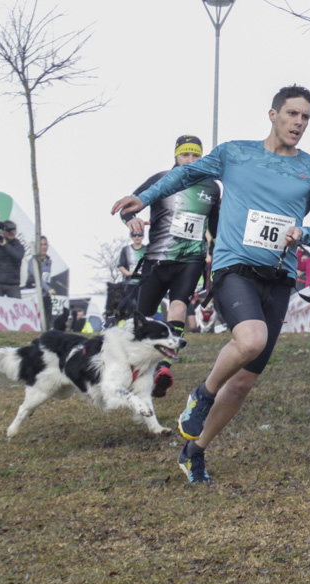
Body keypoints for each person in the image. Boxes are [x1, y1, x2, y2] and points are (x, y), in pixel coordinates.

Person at [110, 85, 310, 484]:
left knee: (245, 380)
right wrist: (143, 198)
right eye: (292, 114)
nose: (299, 123)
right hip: (234, 268)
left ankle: (194, 452)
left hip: (279, 276)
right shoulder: (236, 153)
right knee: (250, 341)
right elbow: (184, 174)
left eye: (305, 118)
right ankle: (203, 392)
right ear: (273, 114)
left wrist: (306, 233)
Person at [119, 134, 222, 397]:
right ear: (175, 155)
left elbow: (215, 226)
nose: (190, 160)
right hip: (157, 259)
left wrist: (221, 245)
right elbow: (128, 206)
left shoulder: (211, 187)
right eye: (185, 154)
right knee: (142, 317)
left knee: (178, 306)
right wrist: (131, 220)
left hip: (191, 260)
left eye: (196, 155)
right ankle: (134, 368)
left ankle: (164, 366)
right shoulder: (160, 179)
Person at [25, 235, 54, 328]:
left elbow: (46, 278)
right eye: (41, 245)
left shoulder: (48, 261)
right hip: (34, 294)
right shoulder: (32, 261)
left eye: (45, 244)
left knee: (47, 319)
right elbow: (38, 278)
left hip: (45, 295)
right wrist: (49, 289)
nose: (43, 247)